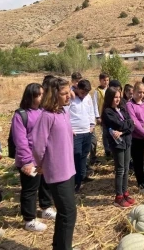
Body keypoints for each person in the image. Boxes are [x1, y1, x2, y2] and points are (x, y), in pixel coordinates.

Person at [30, 77, 76, 250]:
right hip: (57, 172)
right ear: (54, 95)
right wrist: (40, 163)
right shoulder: (46, 116)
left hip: (69, 169)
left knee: (65, 214)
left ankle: (59, 246)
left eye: (68, 92)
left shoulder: (63, 112)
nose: (68, 96)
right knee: (69, 213)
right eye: (64, 93)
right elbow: (37, 144)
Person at [12, 83, 56, 232]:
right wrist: (27, 161)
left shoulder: (44, 112)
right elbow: (20, 140)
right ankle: (29, 219)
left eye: (43, 94)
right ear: (30, 96)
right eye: (39, 95)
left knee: (45, 184)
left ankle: (45, 207)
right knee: (30, 189)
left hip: (43, 158)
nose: (43, 97)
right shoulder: (21, 115)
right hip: (29, 159)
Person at [101, 87, 135, 208]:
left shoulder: (122, 109)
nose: (118, 99)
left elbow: (132, 125)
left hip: (126, 141)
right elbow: (120, 124)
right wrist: (128, 126)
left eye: (119, 97)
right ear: (110, 98)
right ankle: (118, 197)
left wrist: (122, 131)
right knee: (120, 170)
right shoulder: (108, 112)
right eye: (115, 97)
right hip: (117, 144)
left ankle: (125, 192)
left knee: (126, 169)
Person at [69, 79, 95, 192]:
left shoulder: (88, 97)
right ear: (78, 88)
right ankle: (75, 181)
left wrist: (92, 124)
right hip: (75, 132)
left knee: (84, 154)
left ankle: (82, 176)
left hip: (87, 130)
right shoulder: (70, 97)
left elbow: (91, 111)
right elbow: (65, 113)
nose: (84, 94)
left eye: (86, 92)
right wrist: (69, 128)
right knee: (76, 155)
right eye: (83, 92)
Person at [92, 73, 110, 160]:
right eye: (104, 80)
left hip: (110, 115)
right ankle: (107, 150)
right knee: (105, 133)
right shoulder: (97, 91)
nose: (106, 82)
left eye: (107, 80)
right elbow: (95, 104)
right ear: (100, 81)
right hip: (102, 115)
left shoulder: (110, 89)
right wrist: (97, 116)